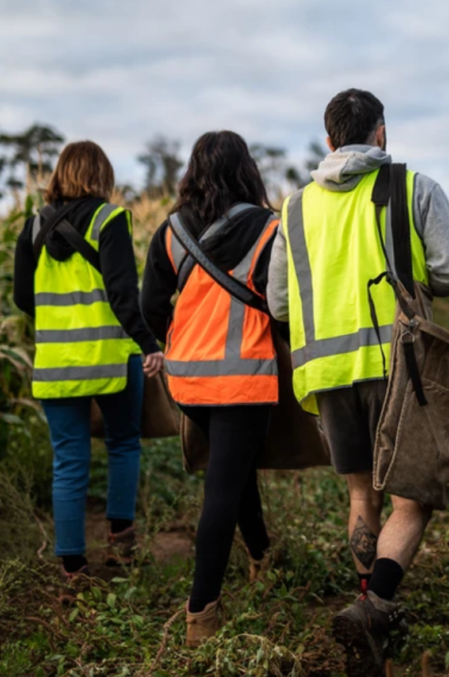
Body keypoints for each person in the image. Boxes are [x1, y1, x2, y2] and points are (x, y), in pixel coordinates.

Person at [267, 89, 449, 676]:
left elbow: (278, 302)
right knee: (413, 495)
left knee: (363, 494)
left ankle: (367, 607)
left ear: (329, 140)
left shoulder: (294, 210)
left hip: (326, 371)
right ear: (380, 133)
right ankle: (378, 604)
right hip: (399, 363)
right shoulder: (413, 188)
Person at [140, 130, 280, 647]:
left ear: (193, 172)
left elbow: (150, 306)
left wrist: (177, 339)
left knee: (232, 467)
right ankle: (200, 615)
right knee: (221, 488)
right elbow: (282, 308)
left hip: (188, 381)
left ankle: (263, 555)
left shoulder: (171, 231)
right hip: (243, 381)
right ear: (246, 169)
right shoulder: (270, 229)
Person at [13, 141, 164, 595]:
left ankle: (73, 567)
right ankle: (120, 542)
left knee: (69, 460)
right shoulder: (110, 219)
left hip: (57, 362)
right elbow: (122, 292)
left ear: (60, 173)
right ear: (102, 176)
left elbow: (24, 297)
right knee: (122, 444)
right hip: (111, 358)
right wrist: (147, 343)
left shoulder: (33, 226)